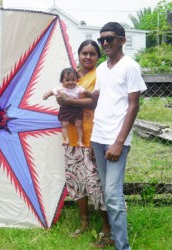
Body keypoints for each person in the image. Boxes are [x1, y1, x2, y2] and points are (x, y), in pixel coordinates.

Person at [91, 22, 147, 249]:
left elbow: (133, 106)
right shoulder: (102, 68)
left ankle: (123, 246)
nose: (105, 43)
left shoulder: (130, 66)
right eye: (101, 39)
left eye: (110, 38)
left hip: (117, 140)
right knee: (108, 193)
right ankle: (114, 237)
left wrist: (119, 142)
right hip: (98, 136)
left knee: (113, 195)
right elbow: (102, 99)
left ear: (122, 40)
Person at [56, 40, 111, 244]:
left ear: (98, 57)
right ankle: (84, 222)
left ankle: (106, 226)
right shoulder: (71, 75)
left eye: (92, 54)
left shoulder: (100, 75)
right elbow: (57, 93)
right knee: (75, 180)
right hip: (71, 138)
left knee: (96, 182)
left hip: (93, 137)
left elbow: (95, 101)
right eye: (84, 53)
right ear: (78, 55)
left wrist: (68, 101)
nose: (88, 57)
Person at [43, 68, 87, 147]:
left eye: (73, 80)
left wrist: (91, 94)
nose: (70, 82)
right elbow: (52, 91)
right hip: (65, 109)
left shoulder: (78, 88)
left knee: (79, 124)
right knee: (64, 123)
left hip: (76, 109)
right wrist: (46, 95)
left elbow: (86, 92)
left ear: (77, 80)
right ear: (62, 81)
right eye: (67, 80)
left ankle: (80, 141)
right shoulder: (60, 88)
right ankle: (67, 139)